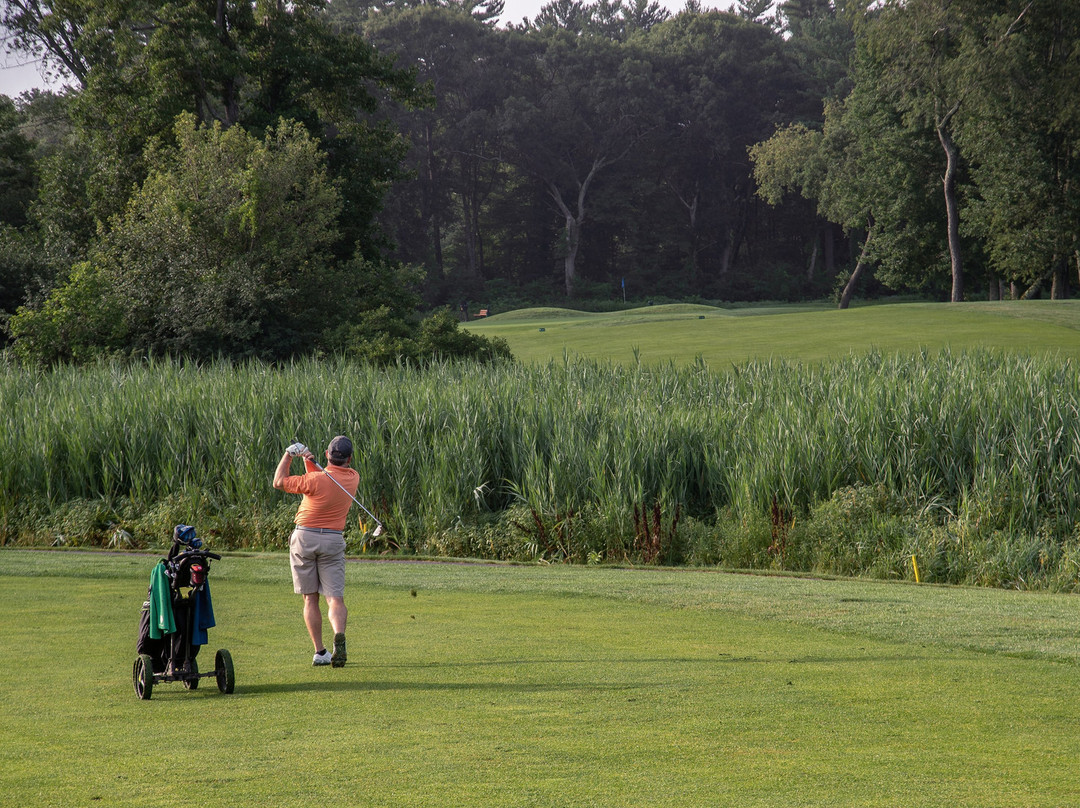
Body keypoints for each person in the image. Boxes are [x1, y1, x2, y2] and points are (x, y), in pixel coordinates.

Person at [272, 435, 359, 667]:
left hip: (305, 538)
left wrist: (290, 454)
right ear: (349, 459)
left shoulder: (316, 480)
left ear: (328, 455)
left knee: (310, 599)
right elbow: (322, 478)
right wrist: (309, 461)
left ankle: (320, 652)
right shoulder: (352, 478)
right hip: (332, 540)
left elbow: (279, 482)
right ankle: (338, 636)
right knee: (335, 599)